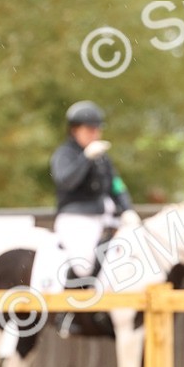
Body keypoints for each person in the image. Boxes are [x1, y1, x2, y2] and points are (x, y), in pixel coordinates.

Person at [51, 100, 139, 282]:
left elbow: (116, 185)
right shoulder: (64, 154)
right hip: (77, 219)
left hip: (105, 218)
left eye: (97, 129)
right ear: (75, 130)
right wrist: (86, 158)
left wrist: (127, 208)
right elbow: (66, 181)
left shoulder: (102, 157)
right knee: (83, 266)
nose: (95, 134)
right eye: (89, 130)